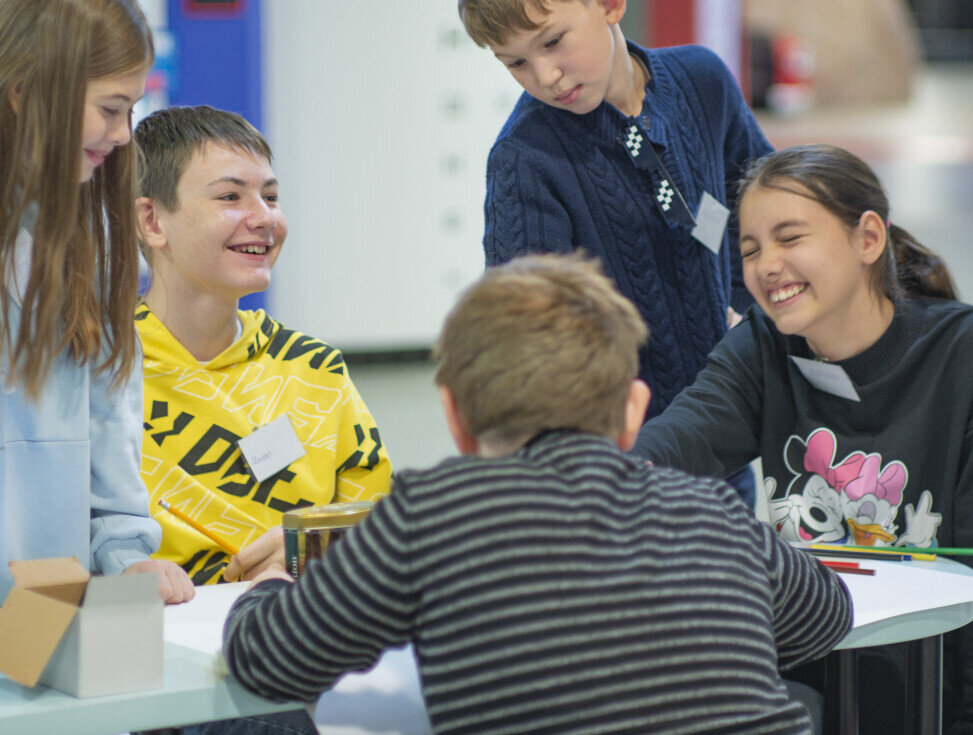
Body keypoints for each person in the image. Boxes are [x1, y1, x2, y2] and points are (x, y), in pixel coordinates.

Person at [220, 253, 853, 735]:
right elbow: (827, 617)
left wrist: (272, 585)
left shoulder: (428, 516)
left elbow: (269, 662)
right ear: (634, 413)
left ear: (455, 417)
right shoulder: (713, 512)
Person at [634, 144, 973, 734]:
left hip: (945, 655)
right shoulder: (763, 344)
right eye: (751, 249)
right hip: (821, 649)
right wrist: (595, 475)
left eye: (790, 237)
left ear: (867, 238)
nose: (766, 266)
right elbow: (683, 439)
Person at [0, 0, 193, 639]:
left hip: (48, 596)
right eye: (110, 108)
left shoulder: (82, 198)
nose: (124, 135)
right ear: (26, 91)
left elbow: (109, 394)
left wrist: (124, 550)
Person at [457, 0, 772, 424]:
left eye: (554, 41)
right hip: (617, 456)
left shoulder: (703, 80)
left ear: (608, 2)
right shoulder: (524, 160)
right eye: (515, 62)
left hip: (729, 423)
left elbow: (761, 203)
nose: (546, 75)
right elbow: (525, 338)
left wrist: (755, 321)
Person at [133, 105, 392, 589]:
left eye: (271, 197)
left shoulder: (314, 368)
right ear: (152, 221)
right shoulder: (99, 371)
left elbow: (386, 522)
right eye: (231, 196)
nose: (264, 218)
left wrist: (312, 546)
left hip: (300, 628)